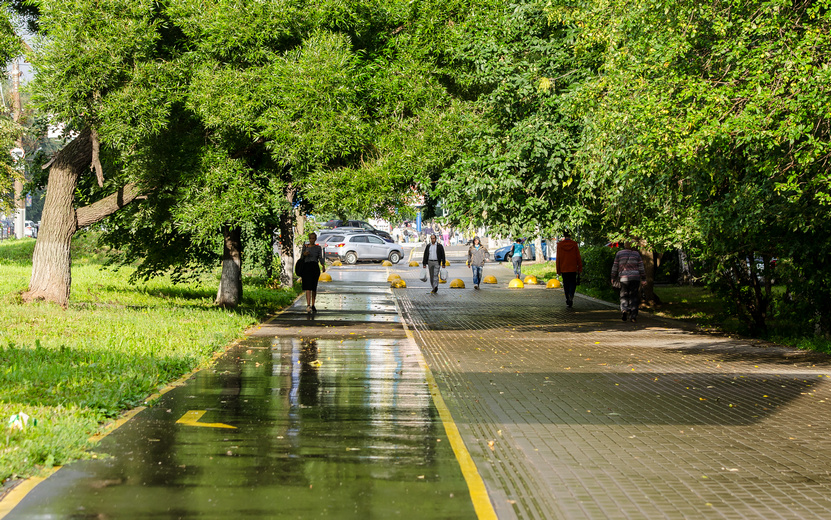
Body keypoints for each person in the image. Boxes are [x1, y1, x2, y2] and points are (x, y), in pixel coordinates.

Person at [610, 242, 647, 322]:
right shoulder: (636, 254)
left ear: (624, 245)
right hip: (635, 278)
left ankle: (624, 310)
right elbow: (641, 267)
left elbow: (615, 266)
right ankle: (633, 315)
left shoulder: (619, 253)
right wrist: (644, 279)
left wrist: (613, 277)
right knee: (633, 296)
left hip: (623, 278)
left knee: (623, 295)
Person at [300, 232, 326, 313]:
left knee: (313, 287)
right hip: (306, 267)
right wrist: (304, 254)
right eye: (310, 238)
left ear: (315, 239)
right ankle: (308, 305)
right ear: (309, 239)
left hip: (314, 267)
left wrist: (323, 265)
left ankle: (313, 304)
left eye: (313, 238)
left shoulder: (318, 248)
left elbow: (320, 257)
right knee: (308, 287)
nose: (311, 240)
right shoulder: (305, 247)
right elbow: (301, 257)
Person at [555, 231, 583, 308]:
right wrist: (579, 268)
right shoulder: (574, 244)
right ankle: (571, 294)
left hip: (564, 268)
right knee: (572, 283)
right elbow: (578, 257)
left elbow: (558, 258)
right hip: (573, 268)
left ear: (564, 235)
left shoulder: (560, 245)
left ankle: (568, 298)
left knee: (566, 284)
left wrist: (558, 269)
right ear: (570, 235)